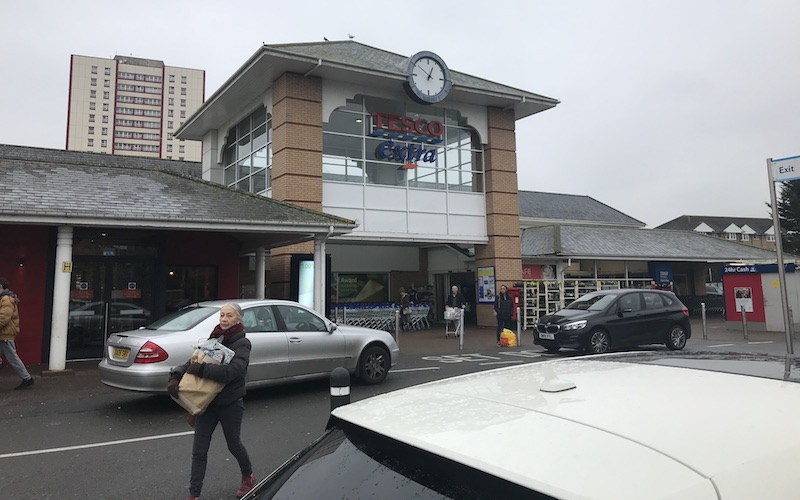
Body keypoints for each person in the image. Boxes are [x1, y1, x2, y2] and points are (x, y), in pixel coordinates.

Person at [167, 303, 256, 500]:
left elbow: (233, 372)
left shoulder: (243, 344)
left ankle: (248, 475)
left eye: (229, 316)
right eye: (222, 315)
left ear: (238, 319)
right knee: (199, 450)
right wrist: (176, 375)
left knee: (234, 445)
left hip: (230, 403)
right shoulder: (214, 338)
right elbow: (195, 359)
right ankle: (194, 495)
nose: (224, 319)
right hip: (207, 403)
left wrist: (202, 370)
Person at [0, 277, 34, 390]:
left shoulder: (6, 299)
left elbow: (3, 318)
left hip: (5, 334)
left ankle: (27, 378)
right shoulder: (4, 298)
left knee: (12, 358)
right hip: (3, 334)